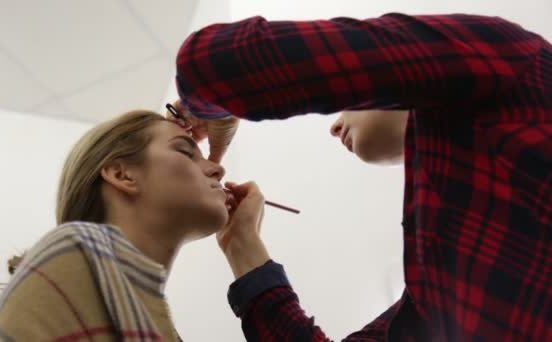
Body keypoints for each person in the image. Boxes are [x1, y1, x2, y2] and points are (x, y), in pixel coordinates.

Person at [172, 13, 552, 341]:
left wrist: (209, 114)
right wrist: (242, 244)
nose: (336, 126)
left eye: (348, 104)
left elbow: (208, 64)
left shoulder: (516, 57)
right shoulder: (435, 290)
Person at [0, 109, 251, 341]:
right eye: (185, 151)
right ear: (122, 175)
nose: (217, 169)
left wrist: (244, 243)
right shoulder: (72, 250)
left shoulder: (158, 327)